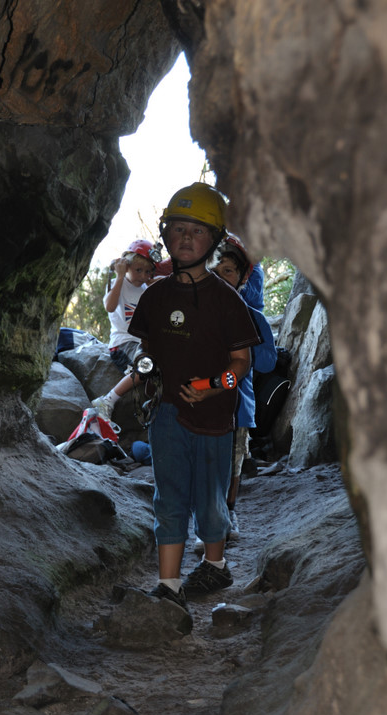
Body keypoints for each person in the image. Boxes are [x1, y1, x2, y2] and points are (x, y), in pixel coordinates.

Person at [127, 182, 261, 612]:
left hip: (214, 417)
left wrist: (211, 386)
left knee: (209, 497)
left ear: (214, 240)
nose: (186, 238)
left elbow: (241, 363)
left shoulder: (227, 301)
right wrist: (145, 367)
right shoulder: (154, 296)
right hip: (166, 411)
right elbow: (146, 348)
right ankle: (169, 585)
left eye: (197, 231)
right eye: (179, 229)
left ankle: (215, 565)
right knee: (169, 495)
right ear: (166, 234)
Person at [193, 234, 277, 555]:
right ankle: (209, 522)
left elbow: (268, 361)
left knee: (234, 462)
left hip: (238, 408)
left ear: (243, 279)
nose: (221, 277)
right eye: (216, 271)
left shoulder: (251, 316)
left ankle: (230, 511)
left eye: (229, 271)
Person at [91, 239, 161, 420]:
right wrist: (120, 276)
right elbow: (109, 306)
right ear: (126, 266)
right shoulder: (119, 284)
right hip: (123, 343)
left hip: (142, 342)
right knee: (145, 367)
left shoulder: (146, 287)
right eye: (138, 270)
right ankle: (107, 400)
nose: (143, 276)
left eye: (147, 272)